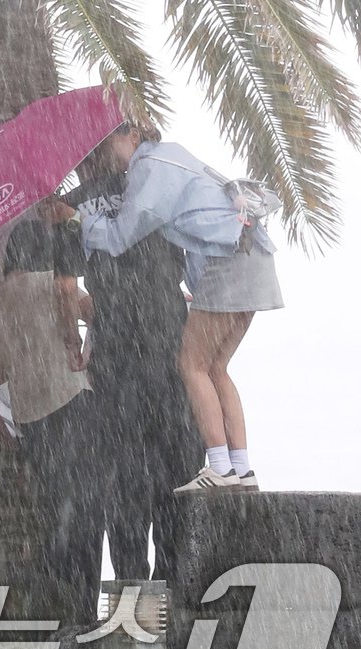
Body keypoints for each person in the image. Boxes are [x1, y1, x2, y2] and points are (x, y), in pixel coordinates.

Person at [53, 124, 282, 495]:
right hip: (252, 255)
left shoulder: (148, 169)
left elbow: (118, 237)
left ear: (133, 137)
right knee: (216, 368)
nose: (106, 151)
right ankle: (241, 468)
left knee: (190, 366)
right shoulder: (175, 156)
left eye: (110, 140)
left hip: (228, 261)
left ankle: (221, 468)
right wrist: (199, 292)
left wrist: (75, 218)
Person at [0, 216, 101, 627]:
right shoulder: (54, 283)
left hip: (31, 415)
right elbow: (93, 310)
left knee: (53, 508)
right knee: (86, 508)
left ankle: (55, 602)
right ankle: (83, 607)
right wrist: (73, 336)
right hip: (70, 401)